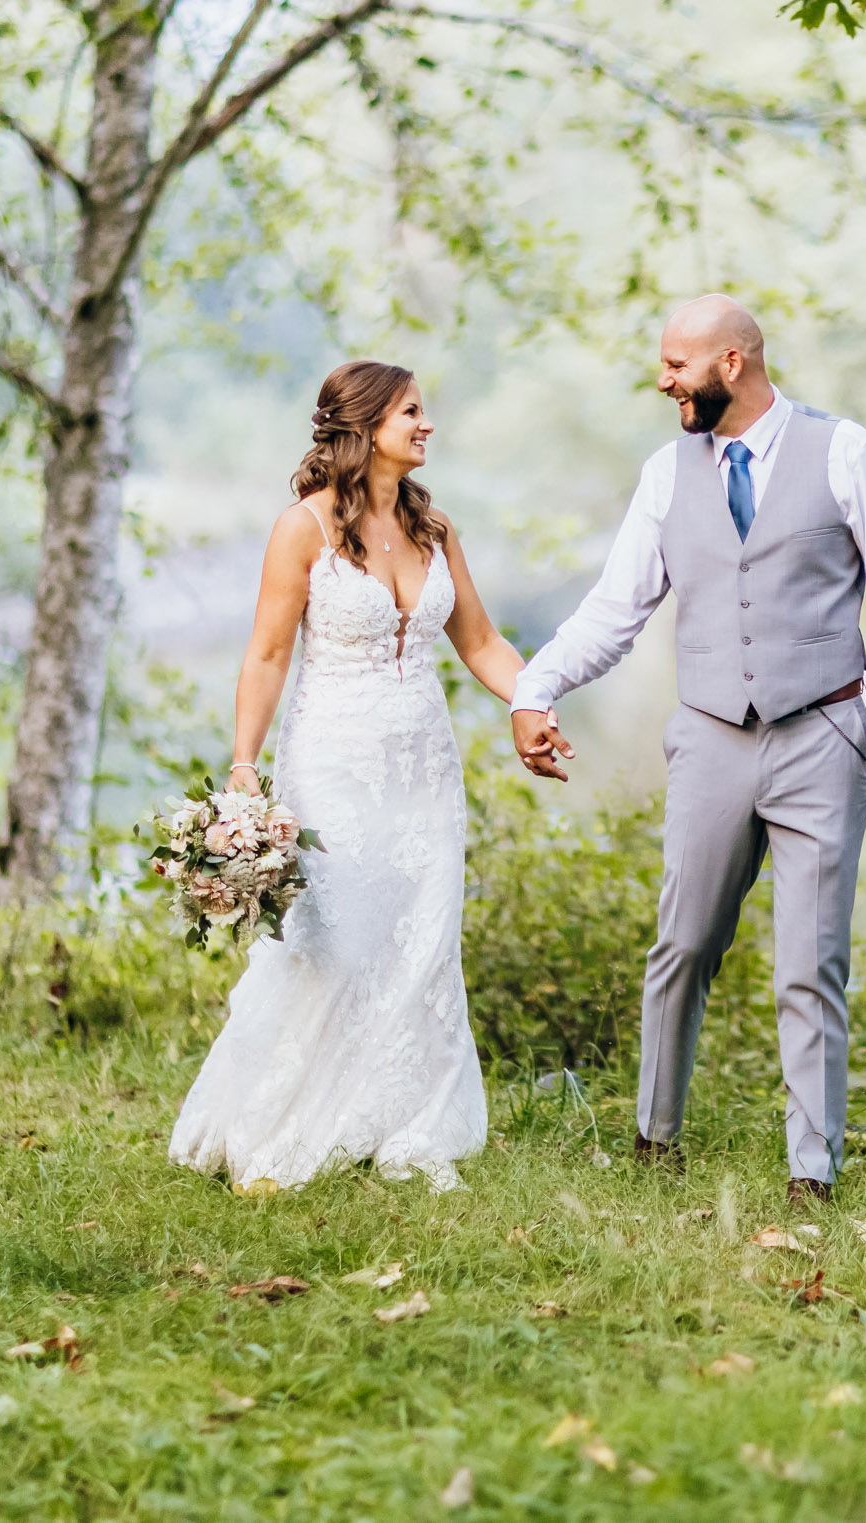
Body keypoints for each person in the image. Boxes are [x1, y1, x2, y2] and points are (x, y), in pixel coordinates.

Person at [510, 295, 866, 1204]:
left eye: (677, 363)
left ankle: (811, 1173)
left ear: (733, 364)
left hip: (823, 734)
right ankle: (654, 1137)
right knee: (684, 942)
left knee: (811, 961)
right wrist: (535, 687)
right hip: (710, 736)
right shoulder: (666, 474)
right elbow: (615, 608)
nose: (662, 378)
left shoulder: (844, 452)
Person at [169, 361, 523, 1191]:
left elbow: (480, 643)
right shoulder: (305, 527)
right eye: (411, 411)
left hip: (425, 772)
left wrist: (532, 701)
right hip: (333, 763)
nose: (426, 424)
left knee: (424, 940)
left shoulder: (436, 532)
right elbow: (266, 654)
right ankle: (283, 1120)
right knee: (335, 943)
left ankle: (403, 1116)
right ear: (364, 425)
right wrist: (244, 770)